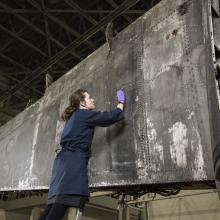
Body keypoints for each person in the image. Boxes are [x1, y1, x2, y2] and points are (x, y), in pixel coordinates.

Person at [38, 88, 125, 220]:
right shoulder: (83, 114)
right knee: (62, 204)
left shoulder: (73, 117)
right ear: (83, 103)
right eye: (90, 98)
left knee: (54, 205)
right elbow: (109, 117)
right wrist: (121, 102)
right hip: (72, 163)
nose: (93, 99)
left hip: (62, 163)